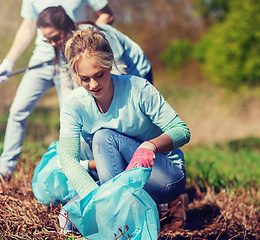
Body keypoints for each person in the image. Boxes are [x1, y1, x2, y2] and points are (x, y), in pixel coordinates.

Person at [58, 28, 190, 230]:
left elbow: (181, 130)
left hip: (163, 175)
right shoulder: (73, 105)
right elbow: (68, 158)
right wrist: (95, 197)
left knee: (103, 137)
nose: (93, 84)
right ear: (75, 75)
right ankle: (121, 209)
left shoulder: (138, 88)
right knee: (67, 219)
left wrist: (150, 146)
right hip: (119, 180)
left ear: (109, 64)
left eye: (99, 75)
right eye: (85, 79)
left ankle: (122, 218)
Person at [0, 1, 114, 180]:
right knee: (17, 110)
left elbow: (107, 14)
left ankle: (82, 169)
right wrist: (8, 61)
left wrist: (88, 44)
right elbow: (27, 28)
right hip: (40, 61)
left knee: (72, 117)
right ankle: (5, 170)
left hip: (72, 60)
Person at [36, 6, 153, 102]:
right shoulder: (60, 47)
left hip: (136, 71)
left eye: (55, 37)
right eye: (48, 40)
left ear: (66, 27)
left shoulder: (97, 36)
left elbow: (119, 70)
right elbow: (65, 81)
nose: (52, 43)